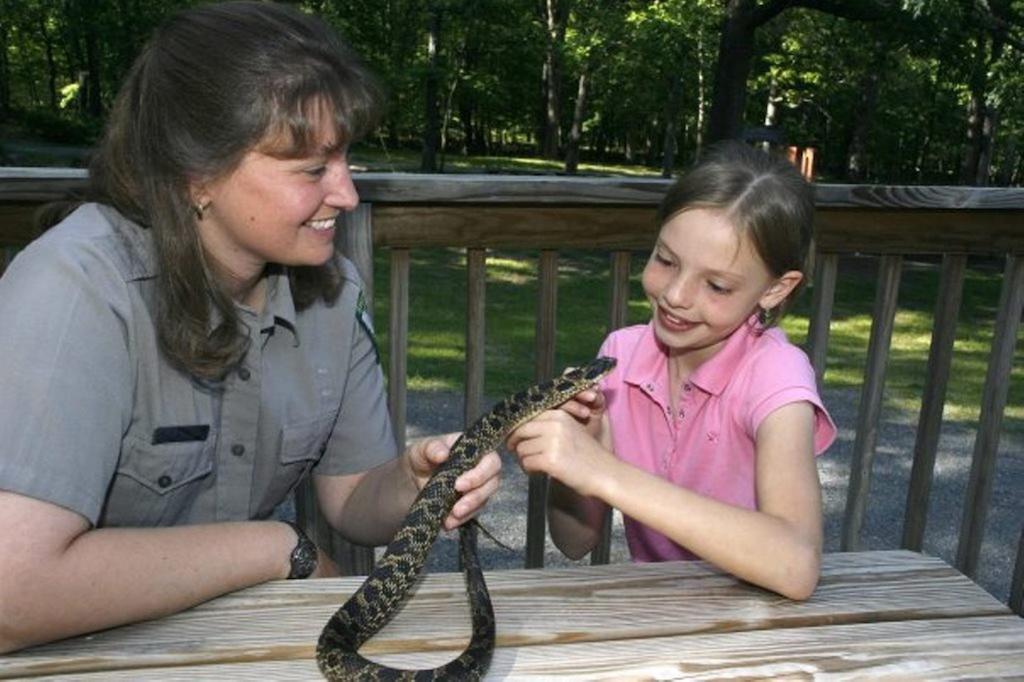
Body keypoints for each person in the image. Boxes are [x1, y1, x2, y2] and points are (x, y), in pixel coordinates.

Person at [0, 1, 500, 653]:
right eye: (313, 169)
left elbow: (352, 499)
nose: (348, 195)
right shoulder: (73, 290)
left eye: (346, 158)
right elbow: (12, 594)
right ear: (196, 176)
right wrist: (276, 548)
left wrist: (413, 481)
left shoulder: (331, 292)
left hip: (237, 646)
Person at [509, 141, 837, 600]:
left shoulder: (777, 376)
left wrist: (605, 472)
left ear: (776, 289)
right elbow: (573, 541)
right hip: (661, 612)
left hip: (761, 626)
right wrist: (585, 448)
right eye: (665, 260)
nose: (677, 295)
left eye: (717, 284)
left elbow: (797, 566)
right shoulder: (620, 356)